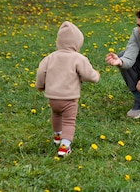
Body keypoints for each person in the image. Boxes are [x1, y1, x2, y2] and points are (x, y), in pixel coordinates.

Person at [36, 21, 100, 157]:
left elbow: (41, 72)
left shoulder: (50, 57)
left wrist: (40, 85)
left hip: (53, 97)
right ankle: (64, 147)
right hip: (69, 99)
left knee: (56, 115)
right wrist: (96, 76)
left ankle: (57, 137)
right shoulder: (78, 58)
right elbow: (88, 75)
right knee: (69, 121)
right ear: (76, 43)